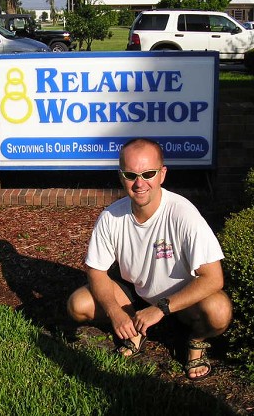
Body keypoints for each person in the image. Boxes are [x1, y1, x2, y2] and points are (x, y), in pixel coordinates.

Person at [67, 138, 232, 380]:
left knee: (219, 311)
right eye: (131, 175)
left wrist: (161, 308)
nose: (139, 183)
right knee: (78, 305)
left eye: (148, 174)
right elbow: (96, 271)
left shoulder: (184, 214)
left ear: (162, 174)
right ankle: (133, 329)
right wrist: (115, 313)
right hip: (135, 292)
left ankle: (196, 341)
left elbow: (214, 279)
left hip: (181, 298)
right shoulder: (111, 217)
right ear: (121, 176)